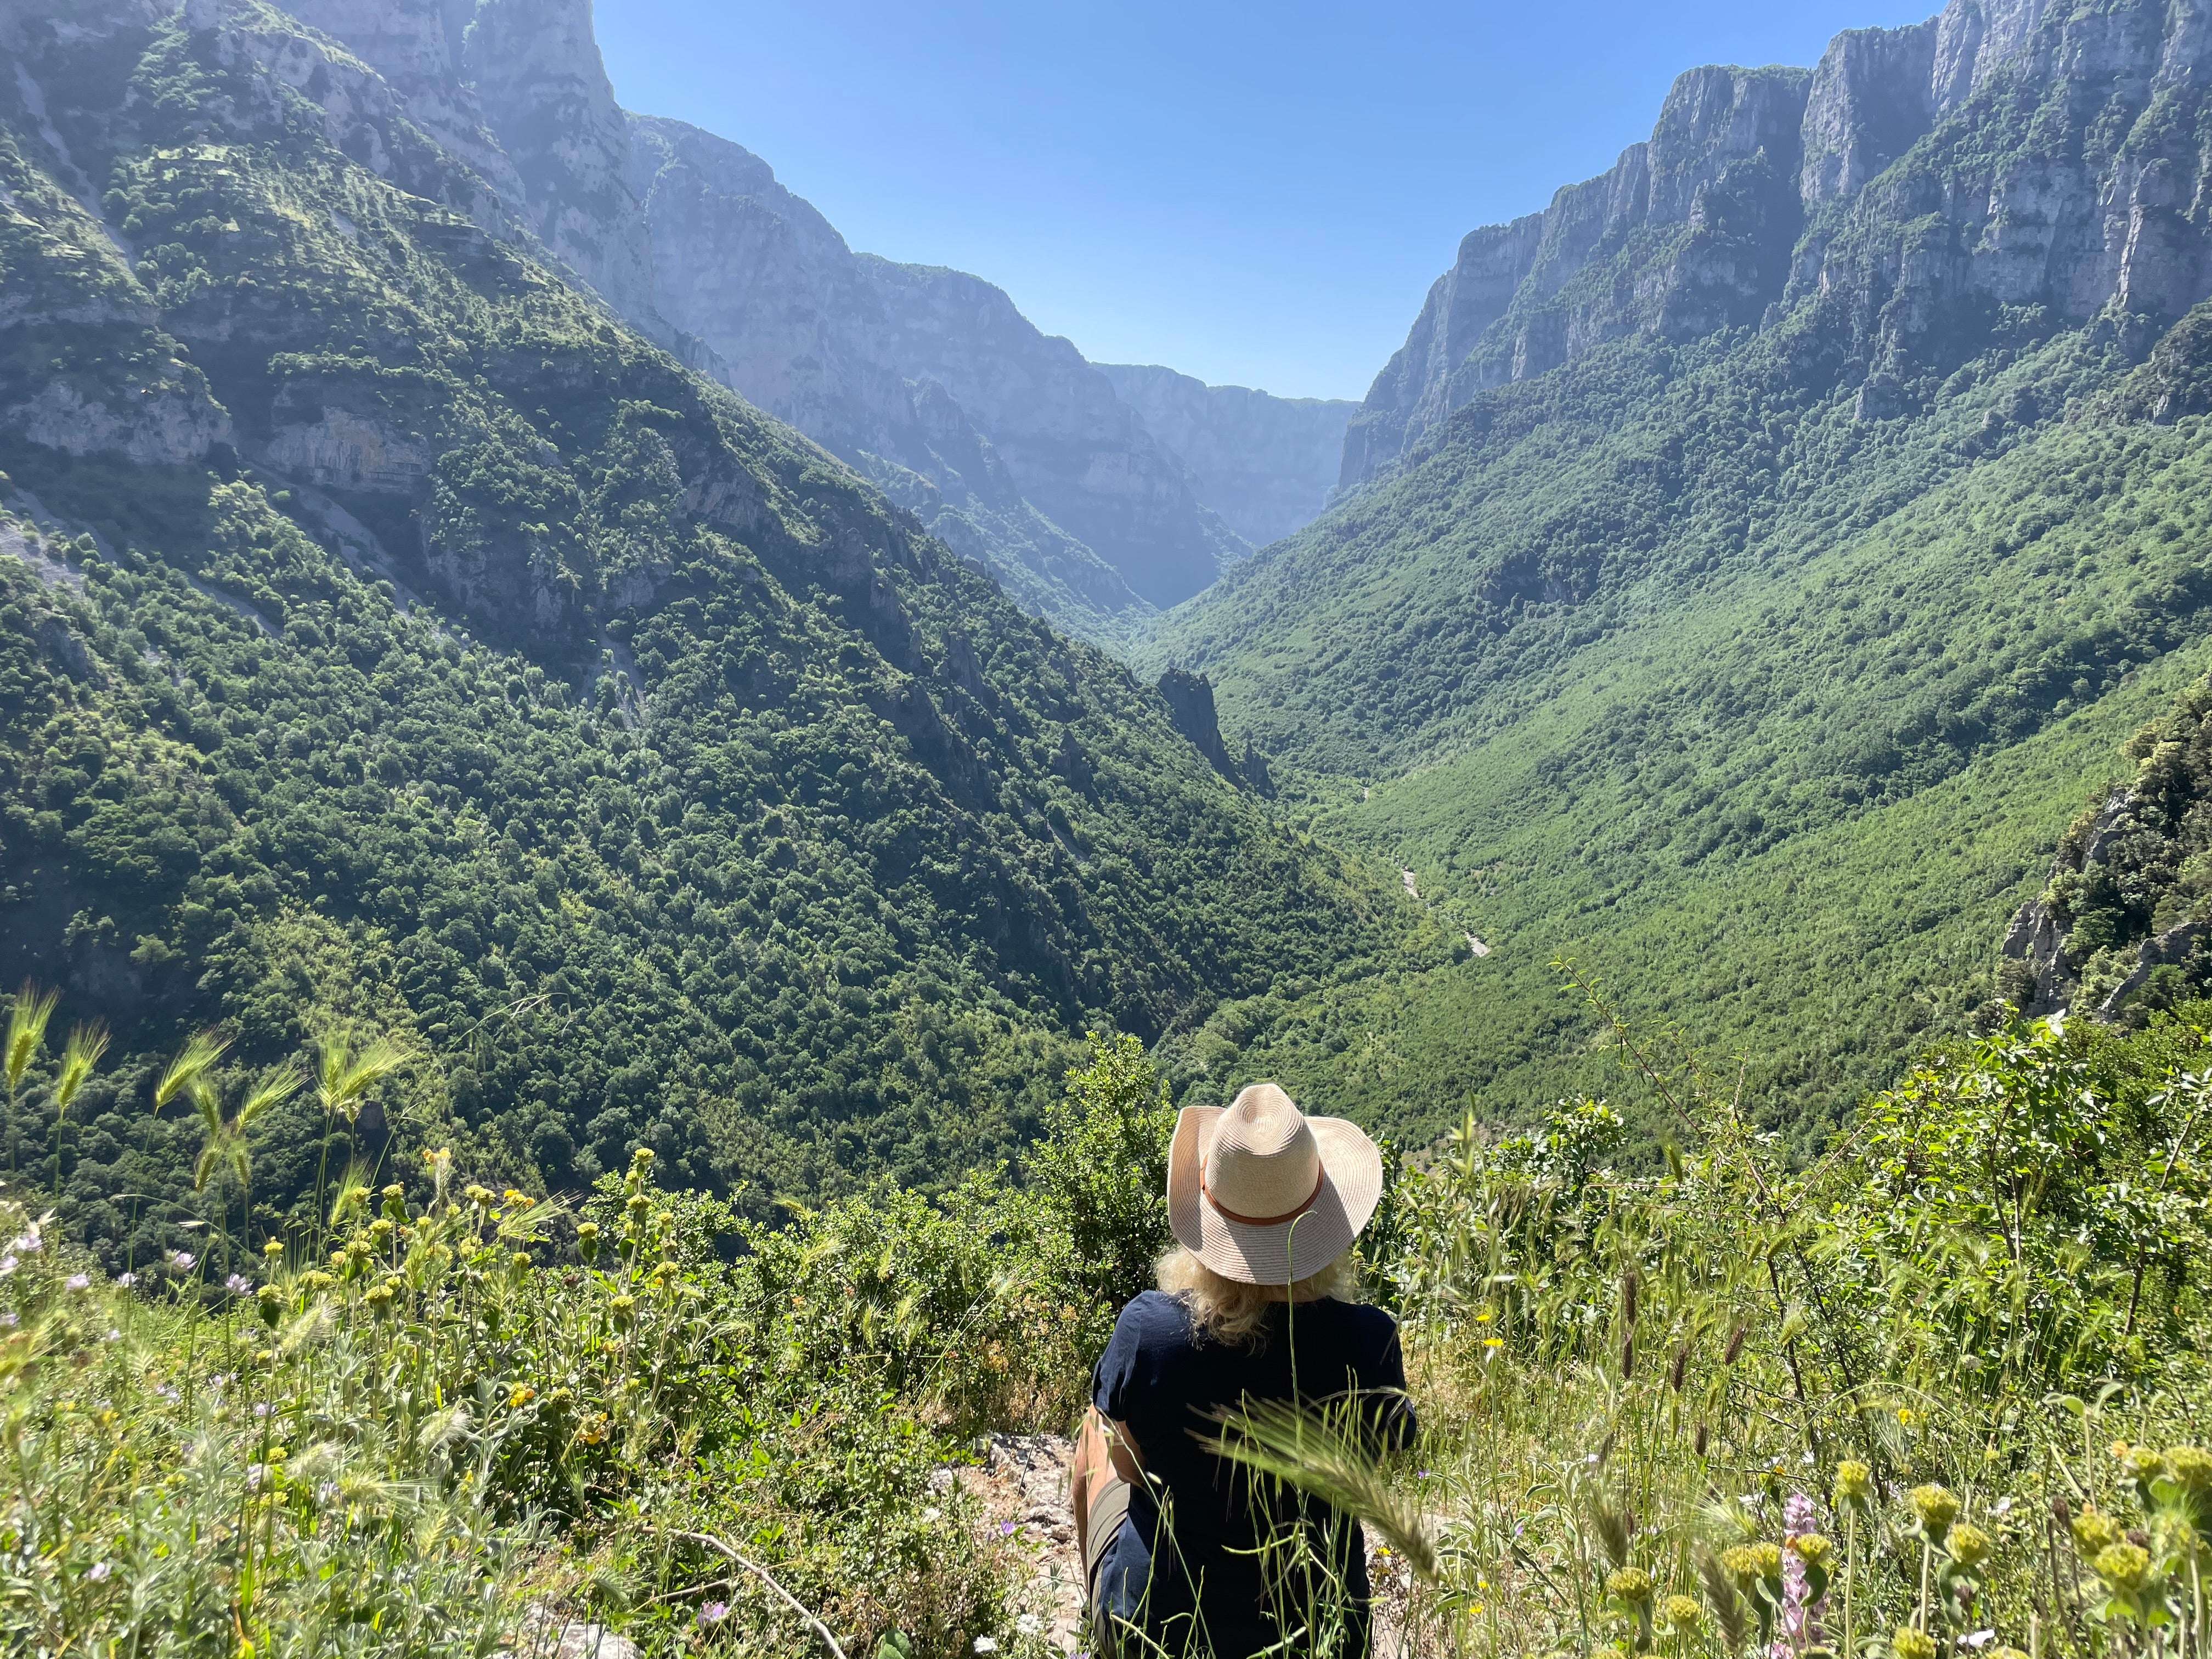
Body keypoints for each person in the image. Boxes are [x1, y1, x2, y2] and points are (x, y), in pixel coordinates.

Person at [1070, 1082, 1414, 1658]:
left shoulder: (1149, 1334)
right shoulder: (1369, 1342)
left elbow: (1130, 1470)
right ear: (1323, 1219)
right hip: (1319, 1640)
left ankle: (1098, 1624)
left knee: (1093, 1439)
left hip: (1159, 1637)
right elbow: (1373, 1469)